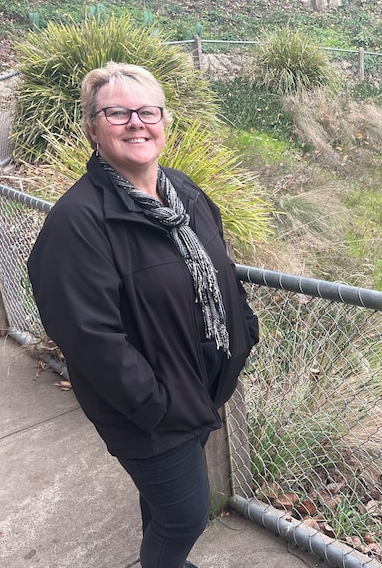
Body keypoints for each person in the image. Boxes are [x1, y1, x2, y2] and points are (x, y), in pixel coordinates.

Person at [27, 62, 259, 568]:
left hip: (201, 384)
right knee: (185, 516)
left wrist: (243, 330)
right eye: (117, 113)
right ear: (92, 128)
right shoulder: (79, 222)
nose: (136, 122)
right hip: (148, 409)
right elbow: (90, 338)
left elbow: (223, 269)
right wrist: (156, 403)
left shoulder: (186, 193)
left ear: (164, 122)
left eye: (147, 111)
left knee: (164, 504)